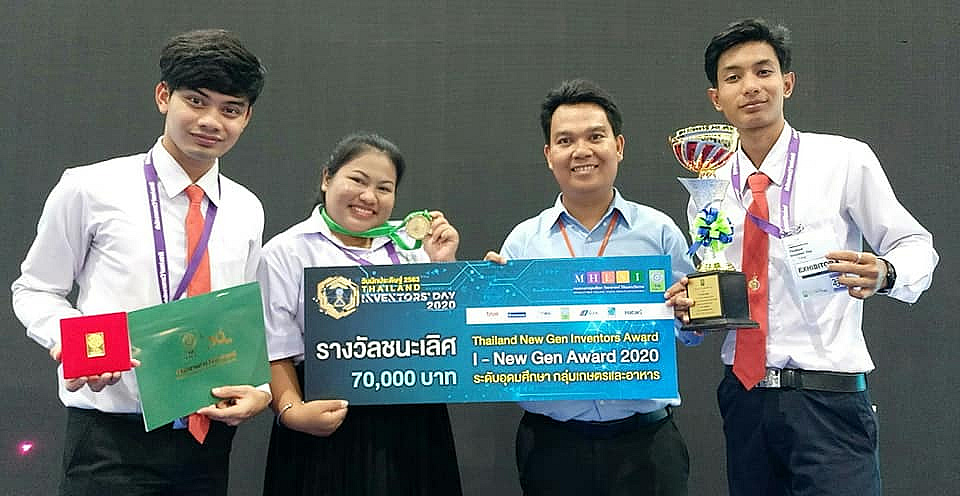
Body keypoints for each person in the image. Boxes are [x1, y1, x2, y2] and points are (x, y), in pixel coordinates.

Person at [664, 18, 939, 496]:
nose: (751, 86)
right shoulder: (707, 182)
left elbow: (916, 245)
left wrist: (887, 271)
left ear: (787, 82)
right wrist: (693, 308)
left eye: (763, 71)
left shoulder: (843, 159)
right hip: (744, 397)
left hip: (827, 397)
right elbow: (717, 279)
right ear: (716, 98)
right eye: (733, 77)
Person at [11, 29, 271, 495]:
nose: (211, 121)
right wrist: (78, 343)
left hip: (208, 438)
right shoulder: (91, 187)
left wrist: (261, 390)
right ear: (163, 96)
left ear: (246, 117)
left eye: (230, 109)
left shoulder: (246, 207)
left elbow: (241, 316)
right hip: (112, 438)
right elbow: (35, 288)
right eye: (196, 101)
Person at [484, 79, 701, 496]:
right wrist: (492, 301)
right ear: (549, 155)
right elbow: (502, 344)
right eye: (565, 141)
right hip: (552, 447)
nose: (581, 151)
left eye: (595, 137)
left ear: (618, 146)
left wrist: (689, 314)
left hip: (647, 447)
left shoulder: (658, 232)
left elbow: (690, 329)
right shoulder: (523, 243)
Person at [257, 132, 463, 496]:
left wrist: (442, 267)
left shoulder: (412, 251)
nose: (369, 197)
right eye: (357, 180)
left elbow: (446, 338)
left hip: (413, 425)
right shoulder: (286, 252)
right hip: (326, 422)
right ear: (327, 178)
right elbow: (275, 349)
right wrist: (293, 412)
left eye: (384, 188)